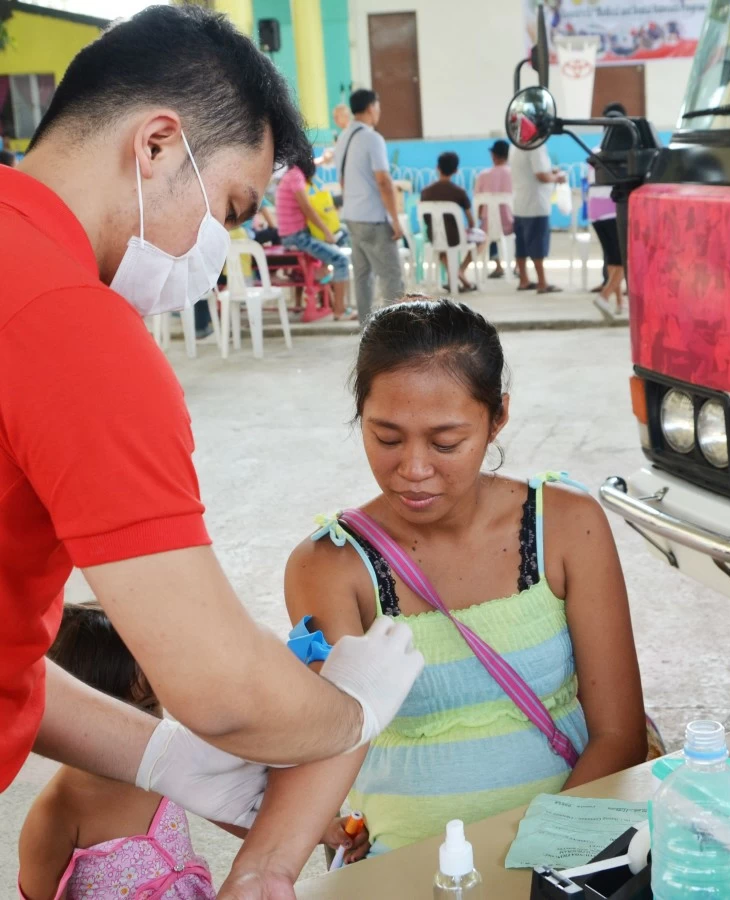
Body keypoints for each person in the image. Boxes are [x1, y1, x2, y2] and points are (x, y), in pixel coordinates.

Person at [1, 7, 423, 897]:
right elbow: (221, 686)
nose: (220, 246)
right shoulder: (74, 328)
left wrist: (158, 756)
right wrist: (351, 709)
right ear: (157, 144)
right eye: (230, 207)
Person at [276, 299, 648, 855]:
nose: (415, 468)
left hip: (566, 856)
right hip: (401, 868)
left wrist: (539, 861)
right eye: (387, 437)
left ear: (498, 417)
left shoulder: (566, 525)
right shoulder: (331, 565)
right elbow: (330, 751)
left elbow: (620, 736)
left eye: (446, 442)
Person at [18, 603, 371, 900]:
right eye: (119, 714)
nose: (139, 728)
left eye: (151, 706)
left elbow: (239, 810)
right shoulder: (54, 816)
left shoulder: (166, 761)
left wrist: (319, 827)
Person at [334, 88, 406, 322]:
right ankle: (397, 331)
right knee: (392, 276)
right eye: (378, 106)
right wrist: (395, 219)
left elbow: (343, 180)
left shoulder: (343, 138)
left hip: (352, 217)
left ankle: (366, 329)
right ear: (370, 108)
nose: (379, 112)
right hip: (373, 219)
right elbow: (384, 181)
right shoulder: (372, 138)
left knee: (363, 277)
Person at [275, 154, 353, 320]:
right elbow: (307, 209)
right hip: (297, 237)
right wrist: (325, 231)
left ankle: (323, 268)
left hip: (293, 235)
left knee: (343, 231)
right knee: (341, 261)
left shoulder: (291, 174)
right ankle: (339, 310)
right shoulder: (296, 177)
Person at [511, 141, 566, 294]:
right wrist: (557, 177)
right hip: (536, 204)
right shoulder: (535, 147)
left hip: (520, 203)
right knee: (537, 245)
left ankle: (524, 280)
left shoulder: (515, 145)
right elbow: (541, 175)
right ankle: (542, 283)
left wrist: (550, 173)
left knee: (521, 245)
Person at [419, 151, 477, 293]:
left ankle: (458, 277)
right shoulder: (459, 192)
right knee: (481, 238)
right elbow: (471, 222)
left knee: (442, 246)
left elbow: (426, 220)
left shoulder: (426, 192)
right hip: (456, 238)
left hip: (434, 237)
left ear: (437, 167)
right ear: (456, 171)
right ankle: (460, 273)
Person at [589, 102, 626, 314]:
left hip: (596, 212)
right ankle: (605, 296)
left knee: (613, 258)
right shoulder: (621, 153)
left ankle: (620, 303)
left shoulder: (594, 151)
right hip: (613, 210)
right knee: (623, 260)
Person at [474, 139, 514, 279]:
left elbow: (477, 203)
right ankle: (518, 266)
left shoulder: (483, 175)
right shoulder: (513, 174)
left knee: (488, 223)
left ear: (493, 155)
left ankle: (497, 265)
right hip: (511, 225)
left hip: (487, 227)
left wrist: (480, 217)